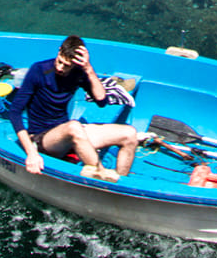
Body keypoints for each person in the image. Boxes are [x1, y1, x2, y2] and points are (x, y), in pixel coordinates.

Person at [8, 35, 140, 182]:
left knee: (129, 134)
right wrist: (31, 153)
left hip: (68, 134)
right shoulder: (39, 70)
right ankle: (101, 173)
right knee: (74, 127)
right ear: (59, 51)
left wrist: (89, 70)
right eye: (60, 62)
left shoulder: (78, 73)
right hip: (43, 139)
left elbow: (102, 101)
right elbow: (15, 112)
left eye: (66, 66)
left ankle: (122, 185)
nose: (60, 68)